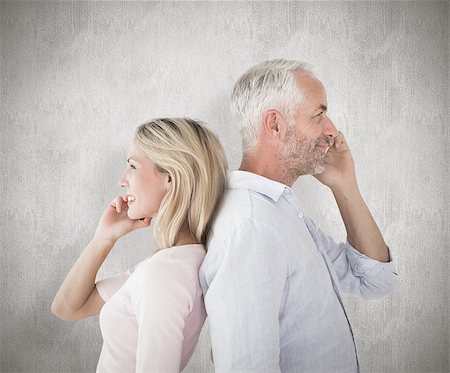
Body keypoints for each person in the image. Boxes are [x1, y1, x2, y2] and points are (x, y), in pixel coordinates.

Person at [199, 59, 398, 373]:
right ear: (275, 124)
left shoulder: (280, 211)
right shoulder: (250, 225)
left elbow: (374, 281)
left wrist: (345, 186)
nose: (332, 130)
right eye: (319, 113)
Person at [52, 118, 228, 372]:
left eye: (132, 166)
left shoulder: (165, 273)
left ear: (170, 178)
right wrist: (105, 237)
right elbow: (68, 307)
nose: (123, 181)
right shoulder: (176, 261)